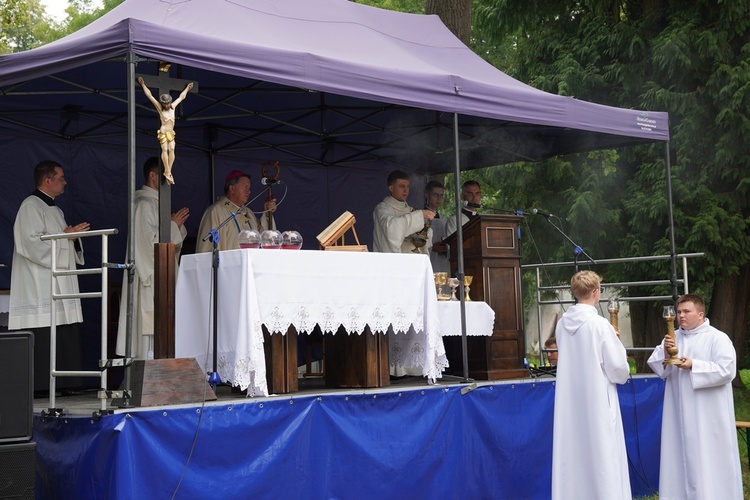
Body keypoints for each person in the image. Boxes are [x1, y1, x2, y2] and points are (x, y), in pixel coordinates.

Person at [647, 294, 743, 499]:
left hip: (707, 415)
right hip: (678, 414)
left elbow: (727, 370)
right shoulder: (674, 337)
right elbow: (656, 364)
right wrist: (665, 353)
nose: (681, 316)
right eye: (679, 311)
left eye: (686, 311)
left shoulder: (717, 338)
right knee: (678, 459)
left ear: (700, 314)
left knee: (708, 459)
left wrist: (694, 365)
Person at [9, 160, 90, 393]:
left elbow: (59, 239)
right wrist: (64, 237)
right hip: (40, 284)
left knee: (64, 331)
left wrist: (70, 238)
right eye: (61, 178)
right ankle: (43, 387)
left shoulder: (56, 209)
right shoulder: (30, 206)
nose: (65, 182)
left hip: (59, 281)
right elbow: (30, 244)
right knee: (46, 334)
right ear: (48, 180)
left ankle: (67, 383)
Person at [551, 270, 631, 500]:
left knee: (573, 450)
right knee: (602, 451)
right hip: (597, 398)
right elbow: (617, 369)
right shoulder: (599, 325)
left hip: (570, 399)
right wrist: (617, 343)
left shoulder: (562, 324)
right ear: (596, 292)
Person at [116, 157, 189, 360]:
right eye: (166, 176)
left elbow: (172, 243)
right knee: (151, 328)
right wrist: (173, 225)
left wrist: (175, 226)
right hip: (150, 278)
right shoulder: (144, 204)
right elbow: (146, 246)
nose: (170, 181)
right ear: (153, 175)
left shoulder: (158, 203)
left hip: (164, 275)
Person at [195, 170, 277, 253]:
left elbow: (263, 238)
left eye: (249, 188)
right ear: (232, 188)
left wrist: (267, 214)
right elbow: (208, 248)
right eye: (245, 187)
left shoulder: (249, 213)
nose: (249, 192)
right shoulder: (215, 211)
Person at [137, 76, 194, 185]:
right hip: (163, 131)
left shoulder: (172, 107)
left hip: (171, 133)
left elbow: (181, 97)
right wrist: (143, 84)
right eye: (165, 104)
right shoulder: (160, 108)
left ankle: (168, 171)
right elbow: (150, 96)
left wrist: (187, 88)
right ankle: (167, 171)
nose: (167, 105)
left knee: (172, 149)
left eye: (168, 103)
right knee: (165, 150)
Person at [372, 170, 435, 254]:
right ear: (391, 188)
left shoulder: (411, 211)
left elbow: (423, 241)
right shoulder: (382, 208)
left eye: (407, 186)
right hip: (393, 263)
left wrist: (424, 232)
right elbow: (390, 228)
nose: (406, 190)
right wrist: (420, 215)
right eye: (402, 186)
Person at [424, 180, 449, 273]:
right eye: (435, 195)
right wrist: (431, 247)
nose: (439, 198)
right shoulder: (419, 218)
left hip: (443, 263)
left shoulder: (445, 220)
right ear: (427, 195)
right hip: (428, 261)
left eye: (441, 195)